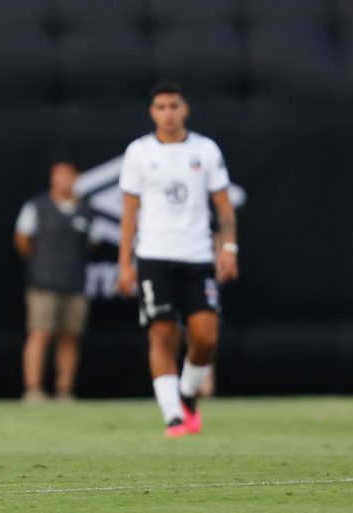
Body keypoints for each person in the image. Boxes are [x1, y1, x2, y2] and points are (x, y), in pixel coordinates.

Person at [117, 81, 239, 438]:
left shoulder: (205, 150)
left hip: (198, 256)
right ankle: (173, 416)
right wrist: (125, 263)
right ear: (152, 112)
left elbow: (224, 206)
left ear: (184, 109)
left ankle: (186, 394)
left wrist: (229, 249)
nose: (168, 113)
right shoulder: (139, 152)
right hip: (154, 256)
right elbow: (129, 213)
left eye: (174, 106)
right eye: (161, 107)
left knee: (205, 337)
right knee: (162, 333)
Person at [14, 161, 94, 402]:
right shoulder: (37, 206)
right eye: (60, 175)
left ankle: (64, 389)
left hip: (74, 282)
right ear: (52, 178)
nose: (64, 180)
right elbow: (22, 240)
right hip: (43, 283)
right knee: (40, 333)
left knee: (70, 336)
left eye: (69, 176)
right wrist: (43, 263)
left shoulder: (86, 211)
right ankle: (33, 388)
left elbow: (91, 243)